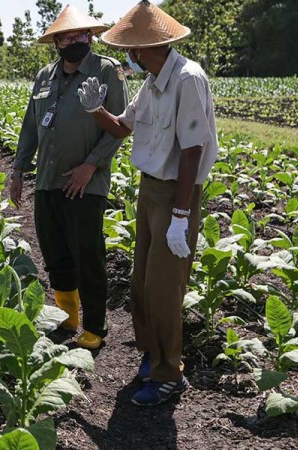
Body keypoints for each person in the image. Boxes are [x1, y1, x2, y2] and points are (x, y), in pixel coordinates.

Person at [78, 0, 219, 405]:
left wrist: (180, 216)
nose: (128, 56)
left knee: (163, 288)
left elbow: (192, 150)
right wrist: (95, 110)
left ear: (144, 49)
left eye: (130, 50)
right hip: (150, 189)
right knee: (141, 282)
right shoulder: (152, 82)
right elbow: (123, 128)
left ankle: (169, 373)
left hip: (178, 193)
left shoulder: (188, 79)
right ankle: (152, 354)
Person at [10, 5, 129, 350]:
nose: (78, 40)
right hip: (48, 180)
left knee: (88, 254)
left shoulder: (107, 71)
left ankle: (94, 327)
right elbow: (31, 126)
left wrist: (91, 165)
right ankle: (67, 317)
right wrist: (18, 170)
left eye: (83, 35)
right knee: (55, 250)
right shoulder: (45, 76)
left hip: (86, 183)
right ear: (57, 42)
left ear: (90, 36)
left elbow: (120, 127)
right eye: (69, 36)